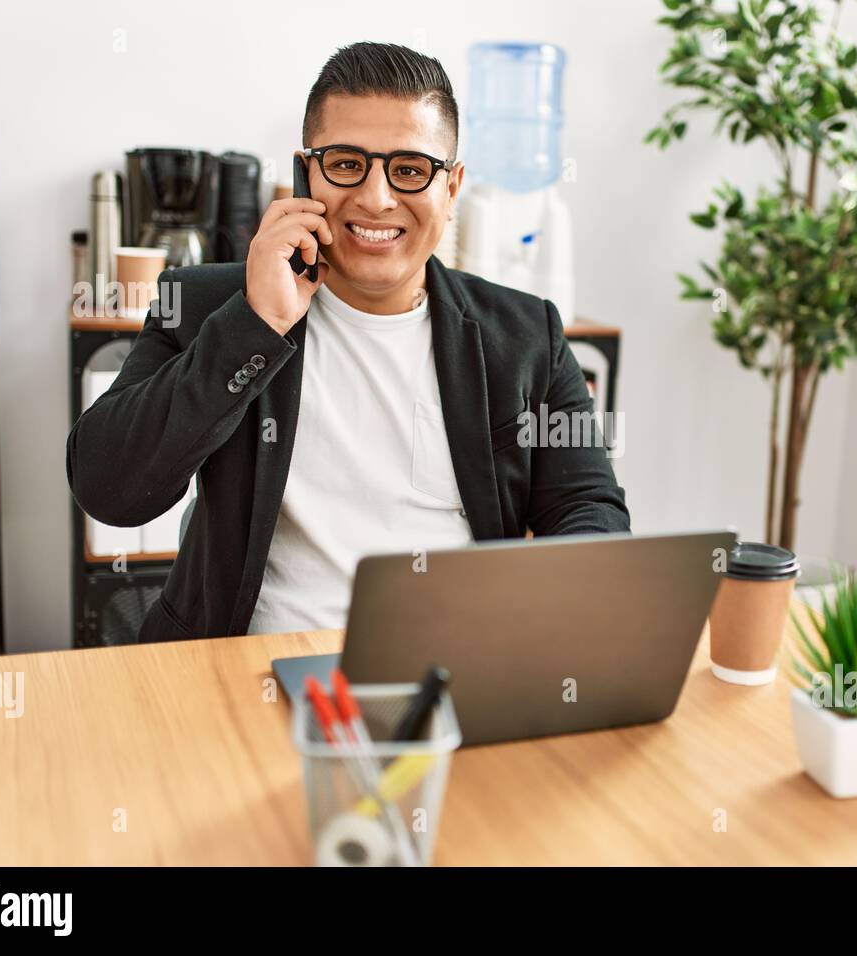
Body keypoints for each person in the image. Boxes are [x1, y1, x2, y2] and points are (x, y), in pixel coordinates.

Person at [67, 42, 628, 642]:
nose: (376, 197)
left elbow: (588, 510)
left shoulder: (525, 333)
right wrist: (256, 324)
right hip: (245, 669)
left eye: (410, 169)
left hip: (449, 670)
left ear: (452, 187)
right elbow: (110, 491)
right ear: (306, 172)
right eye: (345, 163)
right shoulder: (206, 306)